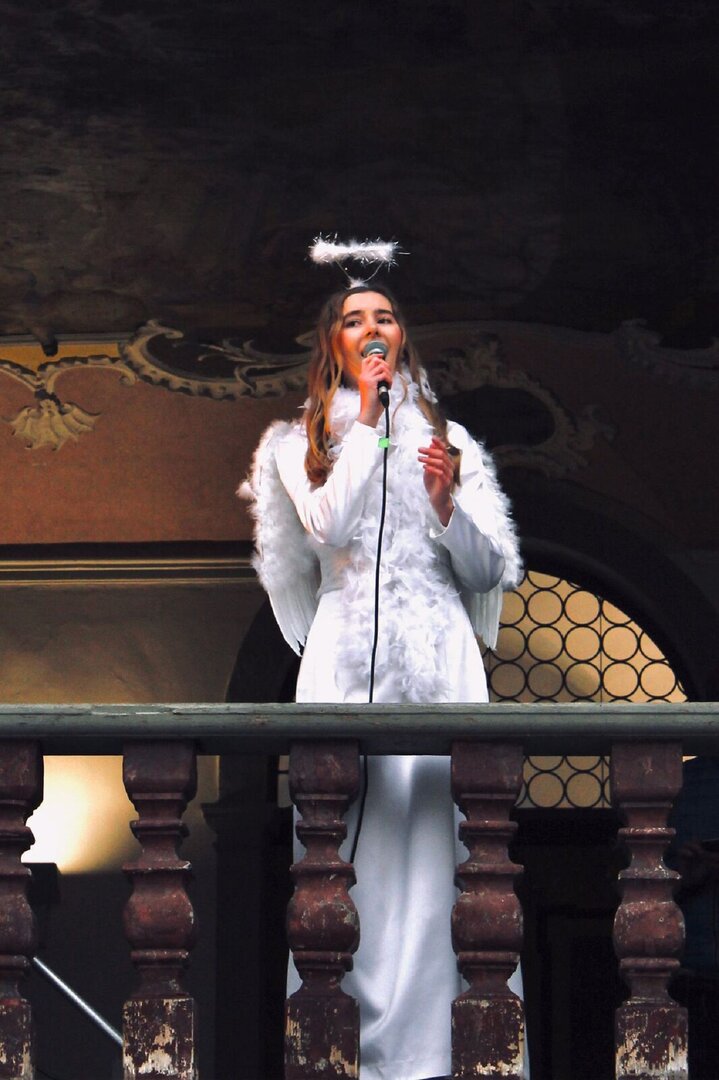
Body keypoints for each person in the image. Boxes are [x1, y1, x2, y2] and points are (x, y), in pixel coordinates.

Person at [243, 283, 524, 1080]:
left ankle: (442, 1054)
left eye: (385, 317)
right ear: (331, 343)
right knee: (340, 858)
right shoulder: (297, 442)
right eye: (353, 319)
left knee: (441, 857)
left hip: (438, 658)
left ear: (402, 336)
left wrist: (445, 507)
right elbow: (328, 524)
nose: (372, 329)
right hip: (345, 662)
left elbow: (486, 571)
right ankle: (346, 1052)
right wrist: (366, 420)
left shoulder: (451, 441)